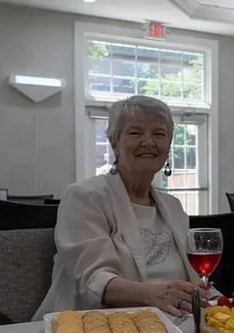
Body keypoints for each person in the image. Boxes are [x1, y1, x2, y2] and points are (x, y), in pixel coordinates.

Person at [35, 96, 209, 319]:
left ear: (169, 145)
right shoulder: (84, 197)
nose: (148, 142)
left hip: (177, 321)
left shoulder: (173, 206)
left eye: (159, 134)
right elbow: (94, 282)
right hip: (98, 323)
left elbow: (193, 280)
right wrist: (156, 295)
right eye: (135, 133)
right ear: (114, 143)